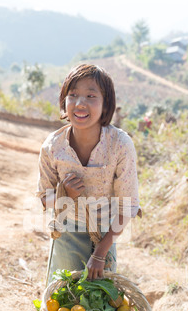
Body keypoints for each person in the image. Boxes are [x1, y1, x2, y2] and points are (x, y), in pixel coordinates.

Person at [36, 64, 140, 285]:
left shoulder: (119, 145)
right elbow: (45, 197)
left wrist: (101, 254)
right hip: (66, 233)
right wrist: (66, 195)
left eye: (90, 96)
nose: (80, 103)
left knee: (98, 308)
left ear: (105, 105)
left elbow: (128, 206)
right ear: (64, 101)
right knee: (63, 301)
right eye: (72, 95)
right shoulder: (52, 147)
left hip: (105, 234)